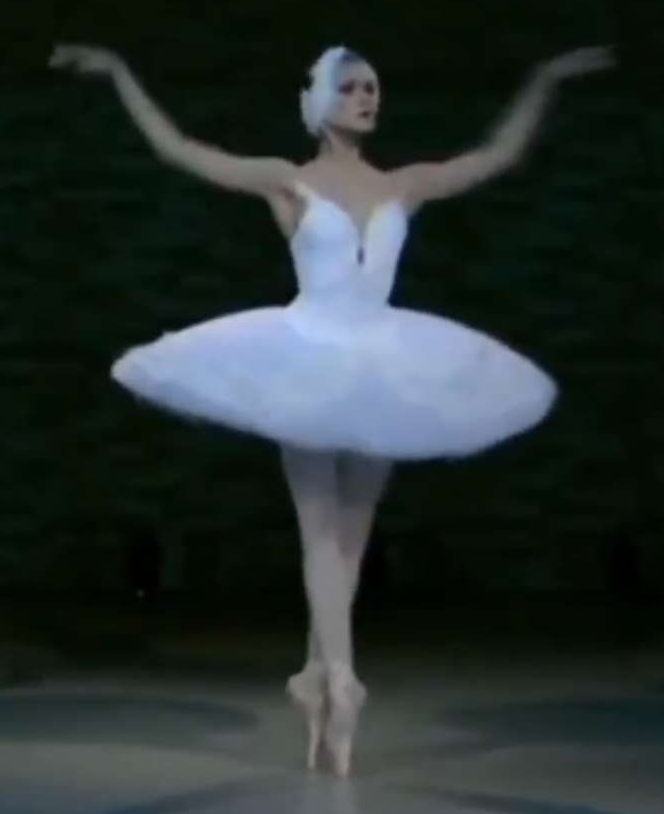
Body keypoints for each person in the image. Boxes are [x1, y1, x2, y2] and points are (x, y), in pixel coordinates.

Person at [49, 40, 614, 775]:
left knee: (340, 533)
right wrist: (122, 73)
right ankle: (334, 679)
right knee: (331, 530)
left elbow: (497, 156)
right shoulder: (291, 180)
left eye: (372, 87)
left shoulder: (403, 183)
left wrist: (544, 78)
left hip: (364, 360)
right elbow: (181, 151)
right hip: (327, 355)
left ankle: (329, 678)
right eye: (350, 88)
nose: (365, 98)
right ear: (319, 101)